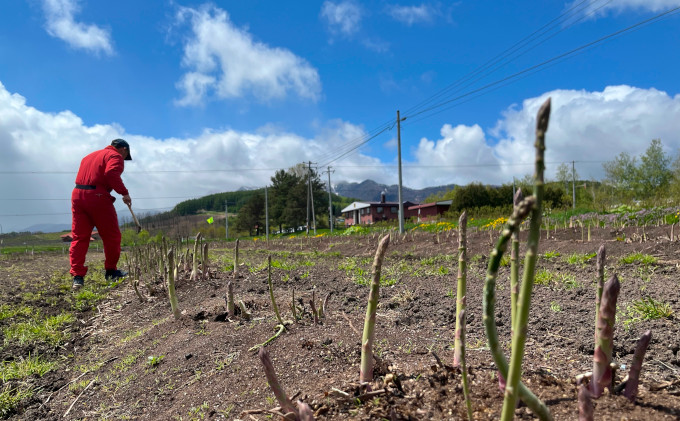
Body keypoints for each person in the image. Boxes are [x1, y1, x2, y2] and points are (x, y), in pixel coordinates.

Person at [70, 139, 133, 290]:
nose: (124, 159)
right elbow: (111, 173)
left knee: (79, 237)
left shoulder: (88, 156)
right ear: (123, 149)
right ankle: (111, 272)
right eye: (126, 156)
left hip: (77, 195)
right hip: (97, 196)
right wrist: (124, 193)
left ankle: (77, 277)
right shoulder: (115, 156)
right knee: (111, 236)